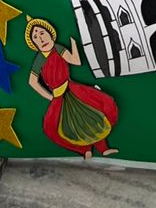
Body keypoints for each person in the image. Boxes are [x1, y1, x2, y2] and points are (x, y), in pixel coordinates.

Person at [25, 17, 118, 159]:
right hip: (58, 97)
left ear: (50, 33)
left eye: (42, 33)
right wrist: (50, 97)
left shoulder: (58, 49)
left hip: (72, 89)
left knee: (94, 114)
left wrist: (73, 42)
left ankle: (103, 148)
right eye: (36, 37)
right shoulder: (40, 59)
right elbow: (32, 82)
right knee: (55, 127)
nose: (41, 39)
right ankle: (84, 150)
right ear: (34, 44)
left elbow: (76, 61)